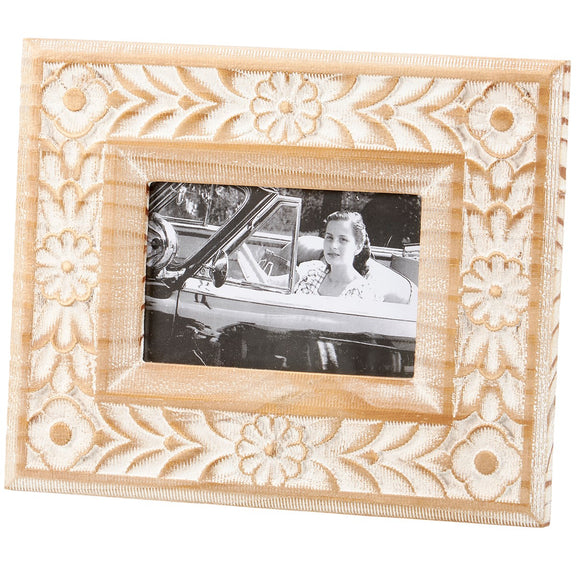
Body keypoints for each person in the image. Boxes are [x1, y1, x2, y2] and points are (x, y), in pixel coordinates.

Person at [294, 211, 375, 299]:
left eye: (343, 239)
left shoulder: (363, 293)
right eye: (329, 237)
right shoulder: (310, 273)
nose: (333, 246)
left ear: (358, 247)